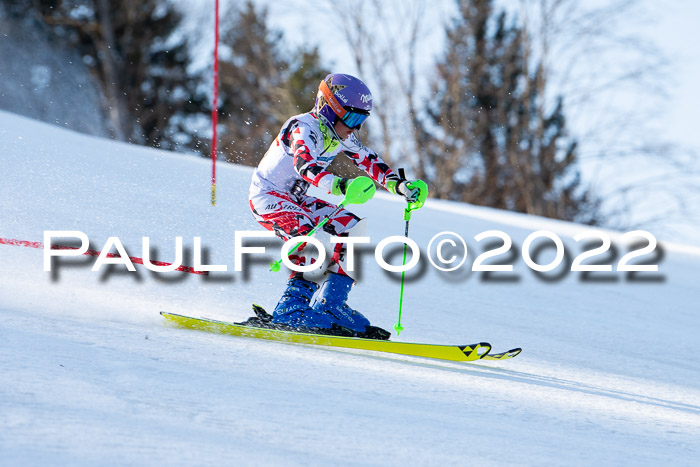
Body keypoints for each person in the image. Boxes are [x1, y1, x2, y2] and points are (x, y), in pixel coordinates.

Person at [247, 73, 427, 339]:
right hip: (268, 197)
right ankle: (291, 308)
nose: (354, 128)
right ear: (328, 109)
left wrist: (399, 186)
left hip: (297, 198)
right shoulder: (303, 127)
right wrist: (340, 186)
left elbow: (368, 160)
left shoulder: (340, 134)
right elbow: (304, 166)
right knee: (313, 237)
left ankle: (330, 305)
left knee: (352, 227)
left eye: (361, 121)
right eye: (352, 119)